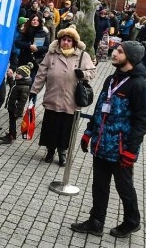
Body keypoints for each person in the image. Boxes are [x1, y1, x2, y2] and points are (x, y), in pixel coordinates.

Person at [72, 41, 146, 238]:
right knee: (99, 184)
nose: (114, 53)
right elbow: (100, 107)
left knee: (124, 187)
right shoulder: (111, 80)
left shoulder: (139, 86)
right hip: (101, 143)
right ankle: (96, 221)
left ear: (131, 58)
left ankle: (132, 221)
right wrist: (89, 132)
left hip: (121, 148)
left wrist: (131, 150)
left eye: (120, 51)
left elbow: (141, 122)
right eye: (116, 49)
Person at [29, 26, 97, 166]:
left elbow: (92, 71)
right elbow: (41, 73)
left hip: (70, 100)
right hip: (52, 97)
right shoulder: (51, 54)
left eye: (69, 40)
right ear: (59, 41)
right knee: (50, 126)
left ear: (74, 42)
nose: (66, 43)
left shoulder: (82, 56)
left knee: (66, 128)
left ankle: (62, 152)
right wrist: (34, 91)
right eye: (63, 40)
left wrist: (83, 74)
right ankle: (50, 150)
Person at [0, 62, 33, 144]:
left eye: (19, 74)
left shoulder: (24, 87)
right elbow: (11, 85)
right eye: (17, 73)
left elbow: (22, 102)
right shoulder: (18, 82)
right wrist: (10, 77)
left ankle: (11, 136)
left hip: (15, 109)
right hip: (12, 107)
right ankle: (12, 134)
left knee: (12, 123)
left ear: (24, 76)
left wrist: (18, 112)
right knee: (11, 122)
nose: (17, 75)